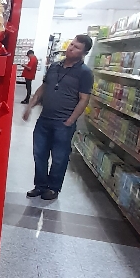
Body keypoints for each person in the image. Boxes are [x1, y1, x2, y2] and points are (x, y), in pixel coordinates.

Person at [22, 33, 94, 200]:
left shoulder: (85, 73)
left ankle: (53, 188)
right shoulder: (54, 66)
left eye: (77, 47)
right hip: (44, 119)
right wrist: (30, 106)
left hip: (63, 123)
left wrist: (70, 120)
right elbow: (43, 87)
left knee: (59, 158)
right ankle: (40, 186)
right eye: (72, 44)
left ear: (84, 53)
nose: (71, 48)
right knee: (39, 154)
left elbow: (84, 99)